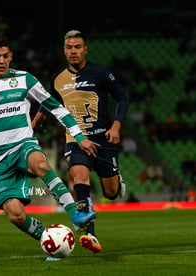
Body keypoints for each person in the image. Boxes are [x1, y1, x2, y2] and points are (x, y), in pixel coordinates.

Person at [0, 34, 99, 260]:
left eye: (5, 56)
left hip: (24, 144)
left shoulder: (24, 79)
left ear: (11, 56)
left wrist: (79, 136)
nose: (1, 61)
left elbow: (55, 107)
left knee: (40, 163)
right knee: (15, 215)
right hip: (0, 159)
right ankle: (47, 239)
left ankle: (75, 213)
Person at [32, 30, 130, 254]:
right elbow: (49, 103)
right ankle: (90, 234)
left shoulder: (101, 73)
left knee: (111, 192)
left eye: (77, 47)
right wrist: (34, 123)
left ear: (85, 49)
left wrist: (116, 126)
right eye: (69, 48)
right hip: (76, 140)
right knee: (79, 178)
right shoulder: (57, 78)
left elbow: (123, 97)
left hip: (104, 139)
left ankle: (117, 182)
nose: (73, 51)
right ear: (64, 51)